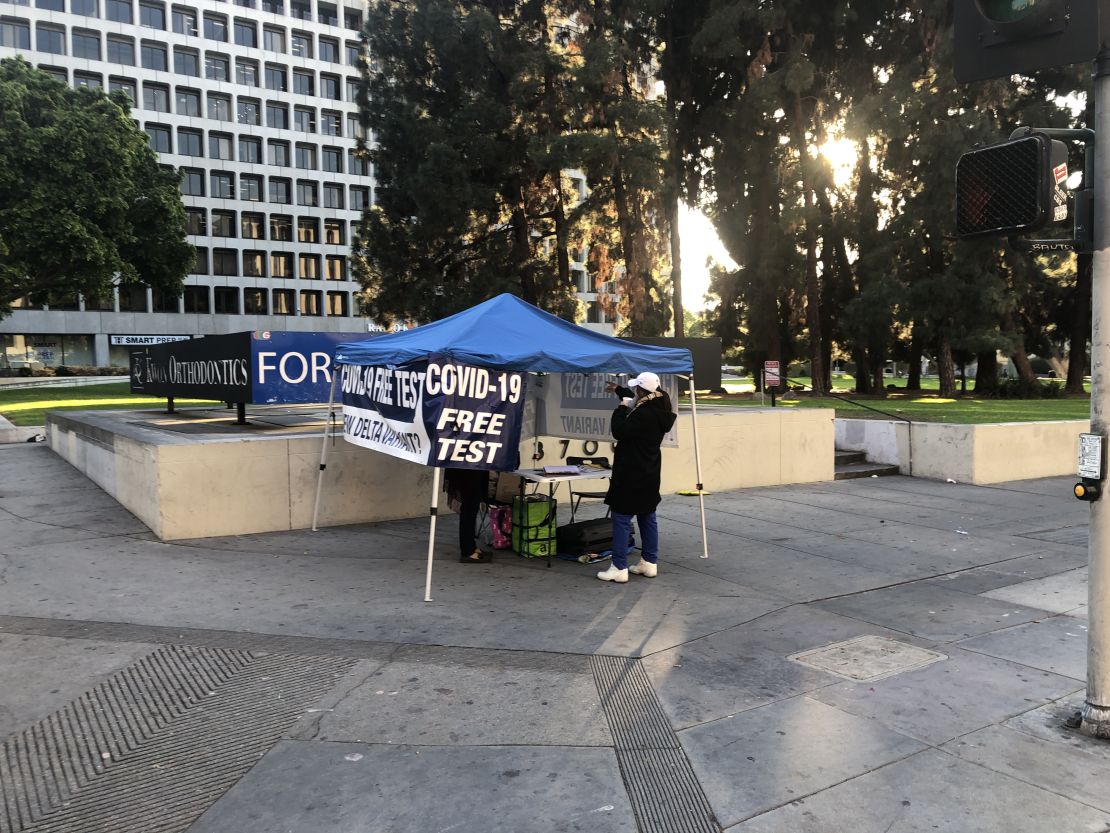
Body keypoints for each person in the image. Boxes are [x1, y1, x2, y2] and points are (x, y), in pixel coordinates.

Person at [596, 371, 677, 583]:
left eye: (635, 389)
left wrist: (621, 407)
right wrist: (619, 391)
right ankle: (649, 563)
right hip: (649, 471)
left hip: (631, 470)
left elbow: (619, 430)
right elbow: (636, 399)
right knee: (647, 516)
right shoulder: (660, 405)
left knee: (621, 516)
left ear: (642, 390)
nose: (634, 393)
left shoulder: (643, 414)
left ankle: (619, 567)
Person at [444, 468, 493, 563]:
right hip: (469, 471)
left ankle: (471, 546)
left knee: (471, 510)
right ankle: (467, 551)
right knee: (468, 510)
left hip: (473, 470)